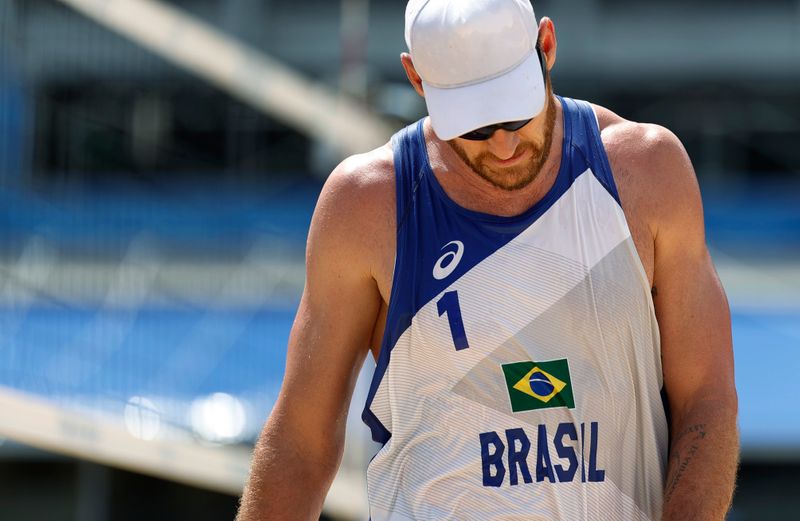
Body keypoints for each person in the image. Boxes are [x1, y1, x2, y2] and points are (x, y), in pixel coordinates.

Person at [236, 0, 739, 519]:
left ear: (546, 46)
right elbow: (302, 440)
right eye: (474, 126)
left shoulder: (645, 173)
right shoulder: (366, 205)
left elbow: (707, 398)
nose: (502, 145)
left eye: (517, 112)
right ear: (416, 78)